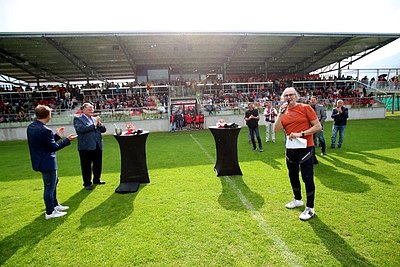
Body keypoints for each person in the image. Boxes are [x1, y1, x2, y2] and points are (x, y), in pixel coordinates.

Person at [274, 87, 322, 221]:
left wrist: (301, 134)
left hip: (306, 147)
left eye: (291, 95)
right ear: (283, 98)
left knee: (307, 177)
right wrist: (280, 114)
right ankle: (298, 199)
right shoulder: (283, 112)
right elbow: (276, 129)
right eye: (286, 95)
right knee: (293, 175)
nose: (288, 97)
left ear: (296, 96)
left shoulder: (305, 108)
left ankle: (310, 208)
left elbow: (318, 126)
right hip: (291, 148)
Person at [27, 105, 77, 219]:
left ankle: (55, 205)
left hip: (39, 161)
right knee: (49, 187)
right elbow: (53, 147)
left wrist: (57, 135)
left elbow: (45, 142)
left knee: (54, 182)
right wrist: (67, 140)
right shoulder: (45, 130)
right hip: (47, 162)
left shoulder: (31, 127)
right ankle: (50, 212)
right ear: (48, 115)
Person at [73, 103, 107, 190]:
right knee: (86, 166)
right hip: (86, 146)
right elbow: (81, 129)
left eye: (92, 108)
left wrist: (99, 124)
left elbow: (103, 130)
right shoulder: (78, 119)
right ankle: (87, 183)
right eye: (89, 108)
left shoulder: (94, 119)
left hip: (97, 145)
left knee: (98, 164)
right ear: (83, 109)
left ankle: (97, 179)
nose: (92, 110)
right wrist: (94, 125)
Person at [310, 97, 327, 163]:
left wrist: (319, 124)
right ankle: (313, 153)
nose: (313, 101)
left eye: (314, 100)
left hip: (319, 125)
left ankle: (323, 151)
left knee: (321, 138)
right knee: (312, 139)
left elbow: (324, 116)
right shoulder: (308, 107)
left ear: (316, 101)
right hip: (311, 126)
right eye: (312, 100)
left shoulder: (321, 107)